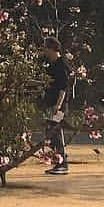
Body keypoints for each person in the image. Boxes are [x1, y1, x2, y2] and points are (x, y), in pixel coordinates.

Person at [41, 38, 71, 176]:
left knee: (56, 133)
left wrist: (58, 105)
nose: (44, 50)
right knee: (51, 132)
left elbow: (63, 87)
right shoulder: (51, 65)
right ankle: (57, 162)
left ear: (52, 48)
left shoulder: (61, 64)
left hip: (58, 105)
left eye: (45, 48)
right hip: (51, 104)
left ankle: (62, 164)